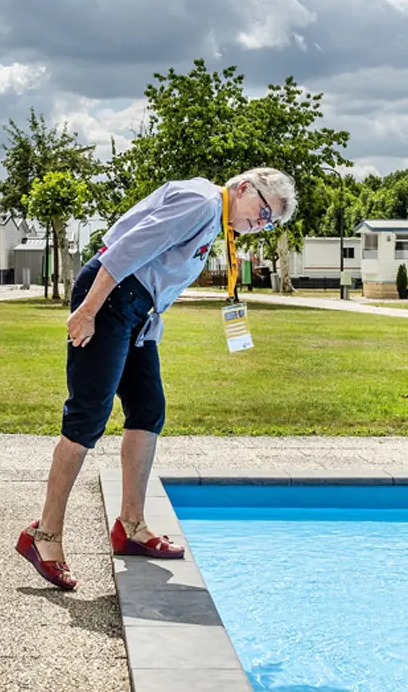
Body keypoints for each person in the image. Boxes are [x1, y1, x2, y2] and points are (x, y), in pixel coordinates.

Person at [16, 168, 297, 590]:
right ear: (243, 188)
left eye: (267, 222)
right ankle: (44, 536)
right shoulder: (202, 203)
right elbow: (127, 250)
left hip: (135, 311)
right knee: (89, 414)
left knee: (148, 410)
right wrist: (89, 309)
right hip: (111, 298)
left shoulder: (212, 217)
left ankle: (130, 526)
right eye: (261, 213)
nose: (259, 224)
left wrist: (145, 325)